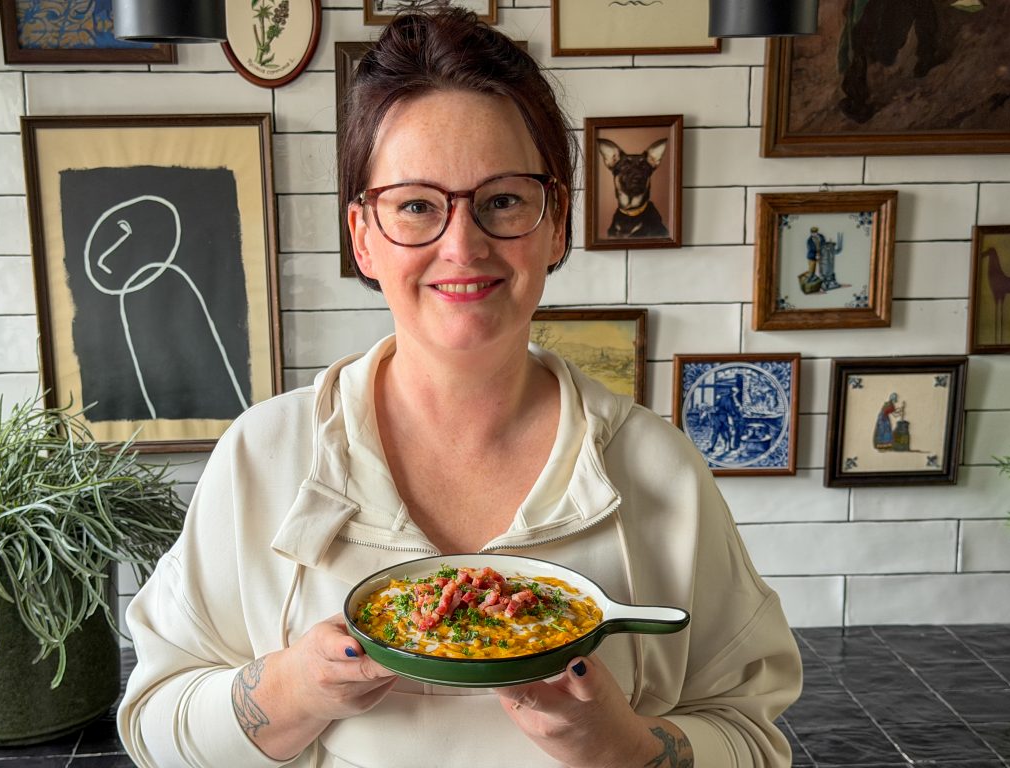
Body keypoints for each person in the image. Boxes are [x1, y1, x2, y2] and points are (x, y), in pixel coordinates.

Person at [117, 10, 802, 767]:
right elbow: (154, 727)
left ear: (557, 224)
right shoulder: (262, 457)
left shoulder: (659, 470)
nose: (463, 245)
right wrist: (294, 692)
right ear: (363, 237)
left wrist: (627, 749)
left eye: (503, 200)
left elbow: (754, 739)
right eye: (416, 205)